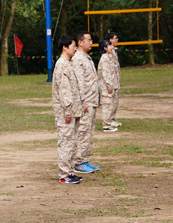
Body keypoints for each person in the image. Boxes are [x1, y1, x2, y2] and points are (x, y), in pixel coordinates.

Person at [52, 34, 83, 184]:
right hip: (66, 112)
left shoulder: (69, 63)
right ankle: (64, 174)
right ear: (65, 47)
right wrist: (68, 110)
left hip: (73, 110)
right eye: (73, 46)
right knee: (65, 142)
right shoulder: (62, 64)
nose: (75, 49)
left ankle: (69, 171)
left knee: (72, 142)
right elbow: (65, 91)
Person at [70, 31, 101, 173]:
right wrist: (82, 102)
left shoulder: (86, 57)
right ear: (80, 42)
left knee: (89, 131)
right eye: (88, 40)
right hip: (86, 102)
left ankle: (85, 158)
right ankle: (78, 161)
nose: (91, 42)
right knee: (82, 131)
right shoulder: (77, 59)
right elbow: (79, 83)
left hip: (92, 100)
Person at [97, 38, 121, 132]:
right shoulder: (104, 58)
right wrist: (109, 86)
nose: (112, 47)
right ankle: (106, 125)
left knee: (111, 104)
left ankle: (109, 122)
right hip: (107, 87)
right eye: (109, 45)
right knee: (107, 105)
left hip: (112, 85)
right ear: (105, 48)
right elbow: (106, 74)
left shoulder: (110, 56)